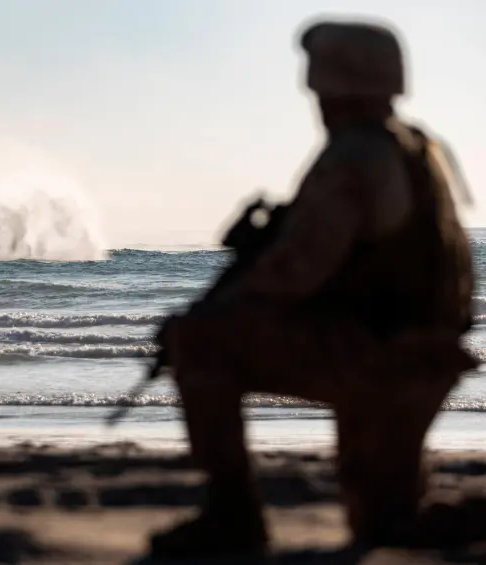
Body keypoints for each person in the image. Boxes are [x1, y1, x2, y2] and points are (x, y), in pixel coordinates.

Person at [149, 18, 478, 559]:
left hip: (377, 360)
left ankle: (232, 519)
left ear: (330, 83)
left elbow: (295, 272)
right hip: (422, 362)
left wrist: (219, 307)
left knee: (200, 341)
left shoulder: (354, 155)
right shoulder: (418, 150)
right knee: (387, 524)